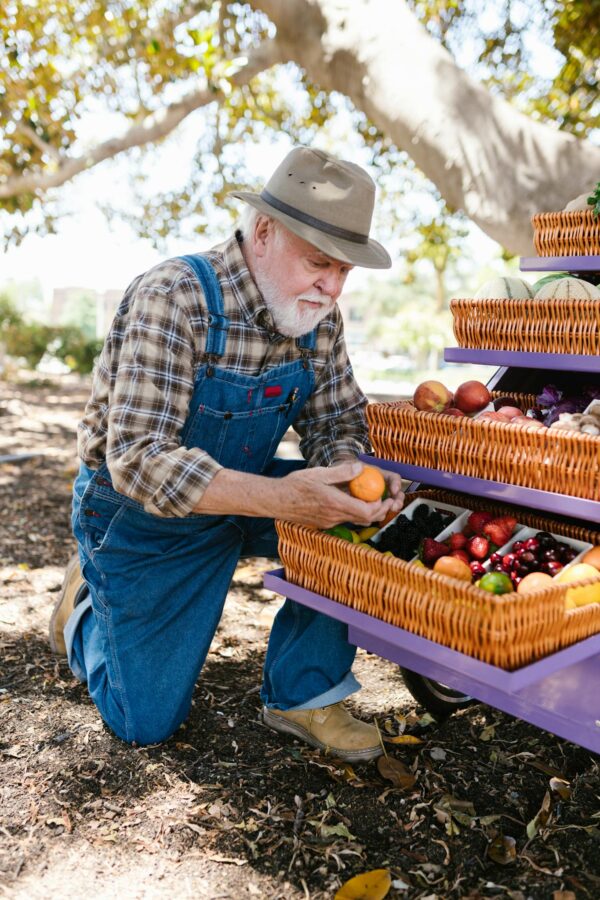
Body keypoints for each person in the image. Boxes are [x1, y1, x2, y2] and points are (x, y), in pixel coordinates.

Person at [49, 145, 405, 762]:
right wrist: (283, 499)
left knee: (359, 528)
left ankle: (304, 694)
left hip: (247, 494)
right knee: (145, 721)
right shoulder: (174, 296)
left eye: (345, 270)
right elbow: (136, 459)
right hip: (143, 516)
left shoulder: (321, 318)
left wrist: (350, 475)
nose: (332, 284)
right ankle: (83, 612)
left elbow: (338, 418)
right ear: (263, 231)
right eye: (320, 262)